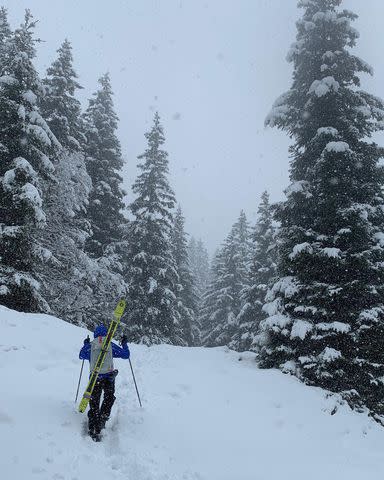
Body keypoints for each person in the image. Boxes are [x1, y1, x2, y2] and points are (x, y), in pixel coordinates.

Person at [79, 325, 130, 441]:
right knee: (109, 398)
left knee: (94, 401)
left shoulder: (91, 345)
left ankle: (93, 426)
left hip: (95, 378)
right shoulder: (110, 345)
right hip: (109, 377)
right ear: (107, 334)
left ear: (95, 334)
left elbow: (81, 355)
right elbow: (126, 355)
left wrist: (85, 344)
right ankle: (103, 419)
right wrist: (124, 344)